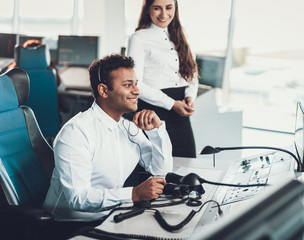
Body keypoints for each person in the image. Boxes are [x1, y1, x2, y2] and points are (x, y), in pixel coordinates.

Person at [43, 54, 173, 222]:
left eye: (136, 83)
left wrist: (156, 132)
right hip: (70, 225)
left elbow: (161, 172)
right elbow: (78, 199)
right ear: (104, 90)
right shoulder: (76, 133)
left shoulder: (128, 128)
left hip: (110, 217)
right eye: (128, 85)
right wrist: (133, 194)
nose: (137, 91)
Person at [127, 0, 199, 158]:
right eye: (157, 8)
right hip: (153, 111)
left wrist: (190, 96)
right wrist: (171, 104)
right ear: (148, 10)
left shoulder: (181, 34)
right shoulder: (139, 38)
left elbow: (191, 72)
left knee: (187, 164)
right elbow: (135, 83)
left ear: (175, 8)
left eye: (168, 8)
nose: (164, 14)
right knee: (157, 170)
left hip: (180, 111)